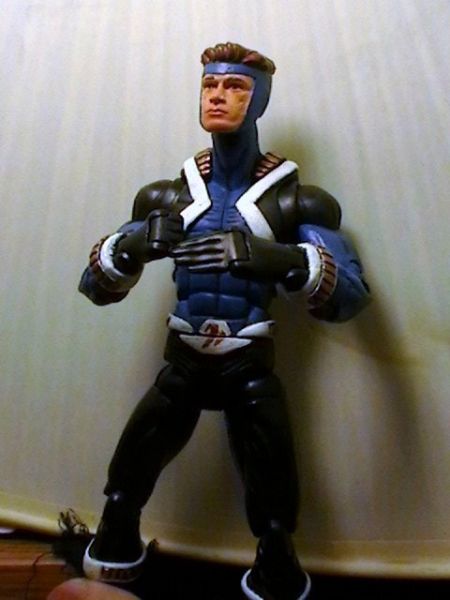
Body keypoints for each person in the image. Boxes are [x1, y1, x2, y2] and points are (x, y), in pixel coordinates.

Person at [79, 42, 370, 600]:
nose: (217, 95)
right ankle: (116, 543)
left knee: (274, 493)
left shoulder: (298, 203)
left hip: (249, 363)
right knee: (126, 481)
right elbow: (95, 287)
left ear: (259, 101)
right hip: (183, 359)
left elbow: (351, 298)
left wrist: (276, 258)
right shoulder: (166, 195)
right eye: (210, 84)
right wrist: (134, 245)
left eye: (235, 86)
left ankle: (275, 566)